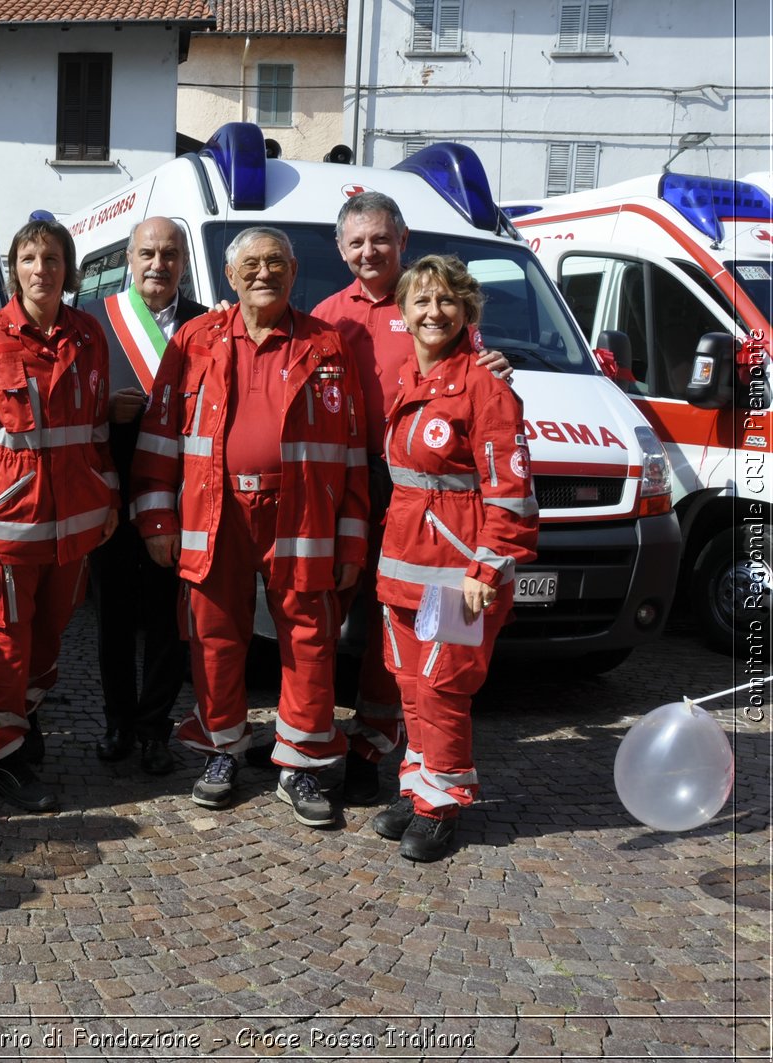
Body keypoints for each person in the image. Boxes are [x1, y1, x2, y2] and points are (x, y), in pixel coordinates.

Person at [131, 227, 369, 827]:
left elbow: (351, 447)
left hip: (303, 516)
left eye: (276, 264)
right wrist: (157, 515)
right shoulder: (195, 338)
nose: (264, 274)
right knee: (214, 634)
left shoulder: (327, 345)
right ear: (231, 277)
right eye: (252, 265)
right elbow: (159, 434)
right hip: (216, 513)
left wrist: (351, 533)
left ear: (294, 273)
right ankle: (222, 750)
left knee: (309, 637)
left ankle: (302, 763)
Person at [309, 192, 511, 802]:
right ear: (342, 250)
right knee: (322, 613)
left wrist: (494, 368)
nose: (369, 251)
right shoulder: (326, 314)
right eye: (357, 242)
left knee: (393, 624)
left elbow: (475, 388)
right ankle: (313, 744)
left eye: (380, 239)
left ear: (403, 240)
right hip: (346, 479)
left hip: (421, 493)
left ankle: (374, 743)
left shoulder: (428, 305)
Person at [0, 218, 118, 812]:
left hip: (73, 529)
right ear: (15, 268)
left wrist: (107, 497)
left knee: (49, 640)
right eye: (31, 258)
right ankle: (3, 755)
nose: (42, 269)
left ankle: (25, 722)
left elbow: (96, 433)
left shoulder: (88, 336)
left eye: (53, 259)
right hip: (5, 527)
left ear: (69, 270)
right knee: (5, 647)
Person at [369, 254, 538, 861]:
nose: (433, 312)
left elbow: (512, 492)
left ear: (467, 310)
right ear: (403, 313)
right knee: (411, 685)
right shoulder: (410, 382)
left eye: (447, 301)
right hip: (403, 569)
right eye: (421, 301)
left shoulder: (487, 386)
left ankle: (443, 806)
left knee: (443, 687)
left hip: (457, 574)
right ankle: (419, 790)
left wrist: (489, 568)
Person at [79, 217, 203, 776]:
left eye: (170, 254)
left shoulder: (206, 325)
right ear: (129, 259)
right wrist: (103, 412)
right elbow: (69, 407)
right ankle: (117, 723)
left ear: (183, 261)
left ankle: (155, 729)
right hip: (110, 489)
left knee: (166, 616)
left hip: (180, 498)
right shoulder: (95, 323)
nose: (159, 264)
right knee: (113, 615)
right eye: (148, 253)